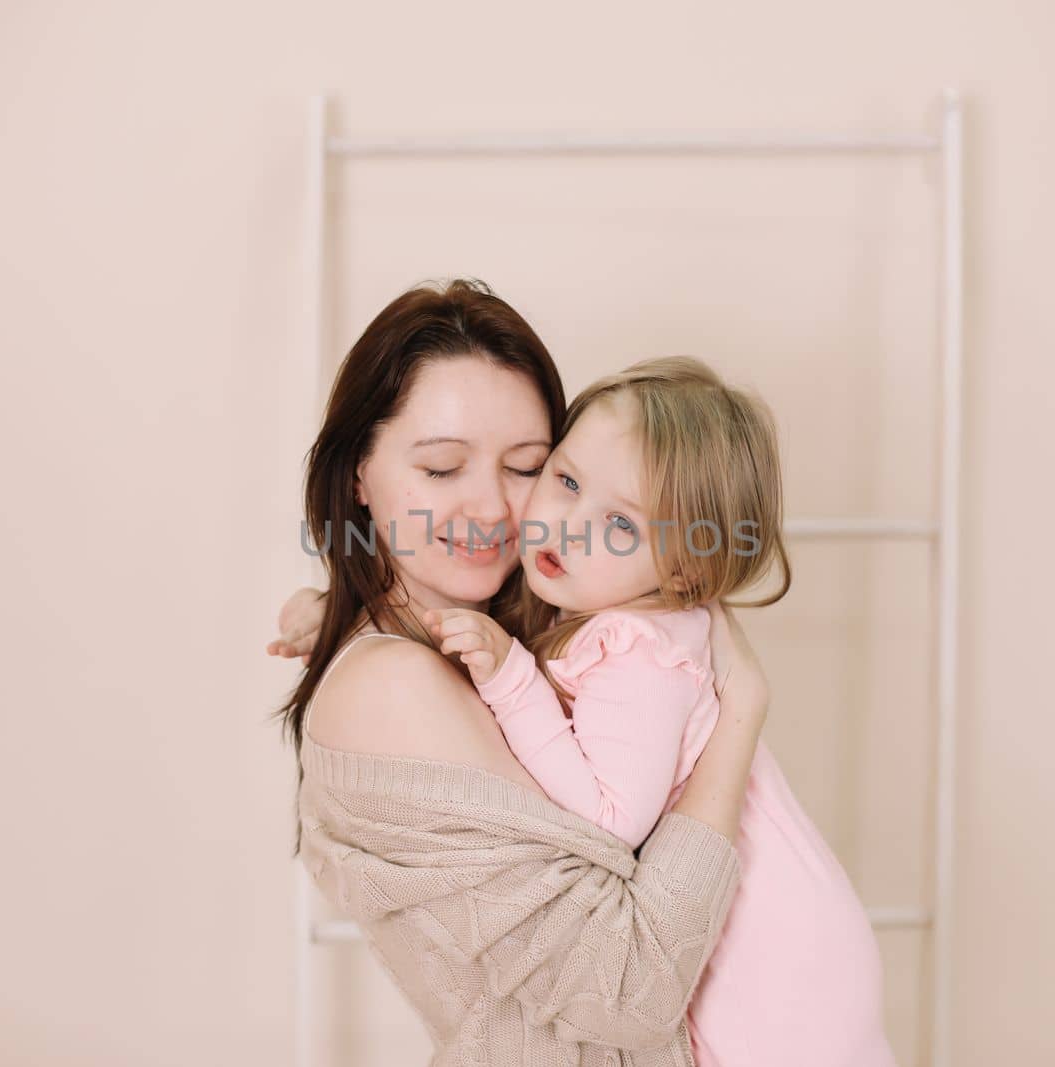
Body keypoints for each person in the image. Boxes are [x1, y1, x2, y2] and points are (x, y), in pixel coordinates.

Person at [273, 279, 771, 1063]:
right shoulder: (395, 686)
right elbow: (629, 990)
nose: (492, 510)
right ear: (360, 476)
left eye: (531, 467)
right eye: (441, 469)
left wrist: (332, 598)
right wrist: (740, 711)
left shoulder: (504, 638)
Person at [421, 357, 895, 1066]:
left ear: (682, 572)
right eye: (567, 479)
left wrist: (511, 676)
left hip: (772, 957)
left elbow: (612, 816)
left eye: (618, 520)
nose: (569, 526)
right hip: (785, 934)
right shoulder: (610, 607)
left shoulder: (638, 654)